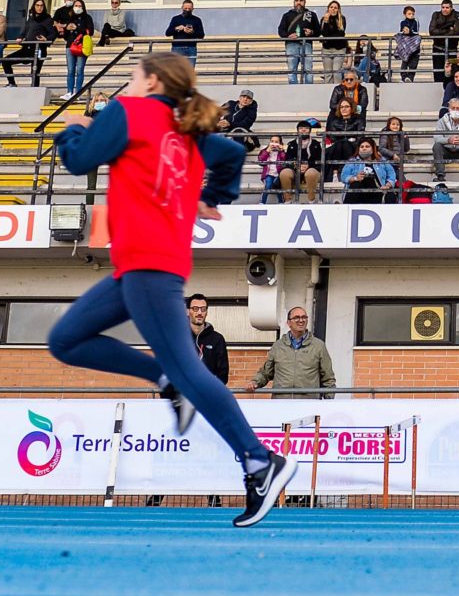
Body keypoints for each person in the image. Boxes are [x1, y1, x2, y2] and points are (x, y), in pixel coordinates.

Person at [47, 51, 291, 526]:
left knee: (190, 371)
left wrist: (74, 127)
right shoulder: (187, 131)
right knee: (65, 340)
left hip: (149, 263)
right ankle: (163, 379)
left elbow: (78, 160)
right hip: (140, 265)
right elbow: (232, 155)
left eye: (132, 76)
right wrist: (212, 196)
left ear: (153, 81)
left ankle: (260, 461)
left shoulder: (128, 111)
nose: (128, 84)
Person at [248, 306, 336, 399]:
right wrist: (255, 382)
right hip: (282, 403)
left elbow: (328, 379)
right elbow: (266, 372)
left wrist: (328, 402)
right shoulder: (278, 346)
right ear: (288, 323)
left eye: (304, 317)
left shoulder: (318, 346)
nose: (301, 320)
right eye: (297, 317)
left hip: (308, 404)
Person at [3, 0, 56, 87]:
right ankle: (12, 83)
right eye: (37, 5)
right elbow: (25, 30)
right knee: (6, 61)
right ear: (34, 6)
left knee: (35, 72)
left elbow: (53, 33)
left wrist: (46, 39)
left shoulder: (47, 19)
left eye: (41, 6)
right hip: (27, 48)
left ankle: (35, 89)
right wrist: (20, 37)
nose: (39, 7)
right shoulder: (31, 18)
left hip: (39, 49)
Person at [183, 293, 229, 384]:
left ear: (206, 312)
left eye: (203, 309)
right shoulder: (178, 338)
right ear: (188, 311)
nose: (199, 312)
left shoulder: (217, 339)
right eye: (195, 309)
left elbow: (223, 374)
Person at [277, 0, 320, 86]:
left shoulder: (312, 15)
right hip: (291, 45)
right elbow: (281, 30)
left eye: (301, 0)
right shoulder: (287, 15)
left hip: (306, 44)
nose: (299, 2)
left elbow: (318, 31)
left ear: (305, 2)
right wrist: (288, 35)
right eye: (296, 0)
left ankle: (308, 89)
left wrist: (311, 32)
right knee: (292, 69)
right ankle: (293, 89)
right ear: (294, 2)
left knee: (308, 69)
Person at [340, 138, 397, 204]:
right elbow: (343, 176)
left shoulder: (381, 160)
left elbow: (391, 174)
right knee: (355, 184)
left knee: (391, 195)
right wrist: (355, 178)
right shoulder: (353, 161)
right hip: (359, 194)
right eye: (362, 147)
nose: (364, 148)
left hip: (378, 192)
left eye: (367, 146)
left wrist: (387, 185)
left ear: (373, 149)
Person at [280, 119, 324, 204]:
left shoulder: (316, 144)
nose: (303, 130)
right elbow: (288, 161)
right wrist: (297, 166)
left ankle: (311, 200)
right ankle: (288, 200)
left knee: (311, 173)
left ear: (310, 131)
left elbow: (319, 161)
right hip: (295, 169)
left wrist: (308, 165)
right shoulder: (292, 144)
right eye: (301, 128)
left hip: (312, 169)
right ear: (297, 130)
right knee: (284, 173)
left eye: (306, 128)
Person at [60, 0, 94, 95]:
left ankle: (78, 93)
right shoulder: (70, 18)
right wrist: (66, 29)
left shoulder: (87, 18)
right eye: (76, 5)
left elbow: (90, 32)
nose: (77, 8)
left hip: (82, 46)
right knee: (70, 70)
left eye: (80, 6)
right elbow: (65, 37)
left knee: (79, 70)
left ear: (83, 7)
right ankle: (69, 92)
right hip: (70, 46)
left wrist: (77, 28)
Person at [323, 97, 364, 177]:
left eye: (346, 107)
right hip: (337, 147)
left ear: (352, 108)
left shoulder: (358, 120)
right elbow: (332, 138)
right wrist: (345, 140)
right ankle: (335, 173)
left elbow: (360, 137)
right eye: (341, 107)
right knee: (339, 145)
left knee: (345, 145)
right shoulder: (335, 121)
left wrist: (348, 141)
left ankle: (337, 173)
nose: (343, 109)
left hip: (353, 146)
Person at [428, 0, 459, 83]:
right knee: (438, 73)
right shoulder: (436, 14)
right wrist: (448, 30)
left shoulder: (457, 14)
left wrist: (439, 31)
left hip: (452, 50)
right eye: (443, 7)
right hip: (437, 48)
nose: (445, 9)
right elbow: (431, 31)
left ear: (451, 8)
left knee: (452, 72)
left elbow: (457, 32)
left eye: (447, 7)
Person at [164, 0, 204, 64]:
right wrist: (177, 28)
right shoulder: (175, 19)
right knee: (176, 68)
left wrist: (192, 32)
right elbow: (167, 33)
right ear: (182, 8)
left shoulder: (197, 20)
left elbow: (201, 35)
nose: (187, 10)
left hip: (191, 48)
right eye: (185, 8)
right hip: (177, 48)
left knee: (189, 69)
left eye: (189, 9)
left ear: (193, 9)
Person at [319, 0, 348, 81]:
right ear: (328, 8)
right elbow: (324, 33)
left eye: (335, 8)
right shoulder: (323, 19)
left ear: (338, 9)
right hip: (327, 49)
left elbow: (340, 33)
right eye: (331, 7)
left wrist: (329, 36)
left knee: (336, 72)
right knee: (328, 73)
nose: (333, 9)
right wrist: (326, 22)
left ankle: (337, 88)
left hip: (339, 49)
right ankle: (328, 88)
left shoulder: (342, 19)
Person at [394, 6, 422, 83]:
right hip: (405, 46)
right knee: (404, 63)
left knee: (413, 64)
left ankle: (410, 78)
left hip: (414, 46)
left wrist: (410, 32)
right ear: (404, 14)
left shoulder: (416, 21)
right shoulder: (402, 22)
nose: (411, 15)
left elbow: (416, 32)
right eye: (409, 14)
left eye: (412, 14)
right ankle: (403, 77)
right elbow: (401, 32)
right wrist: (404, 31)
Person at [258, 135, 286, 204]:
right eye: (272, 141)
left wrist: (282, 151)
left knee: (278, 185)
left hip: (278, 174)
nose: (274, 143)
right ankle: (262, 202)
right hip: (268, 174)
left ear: (280, 144)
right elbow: (261, 161)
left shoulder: (281, 152)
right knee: (268, 185)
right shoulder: (264, 151)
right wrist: (267, 151)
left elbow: (284, 162)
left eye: (276, 142)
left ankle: (281, 201)